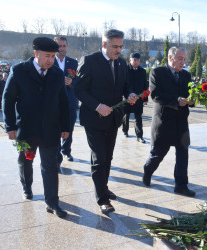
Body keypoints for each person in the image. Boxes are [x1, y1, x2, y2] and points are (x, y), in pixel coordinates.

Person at [2, 37, 70, 218]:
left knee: (51, 165)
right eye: (47, 56)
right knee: (26, 160)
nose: (50, 60)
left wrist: (65, 126)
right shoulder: (19, 71)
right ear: (36, 54)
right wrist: (10, 126)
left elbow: (63, 102)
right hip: (26, 130)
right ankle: (27, 187)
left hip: (50, 130)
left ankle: (52, 202)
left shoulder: (56, 74)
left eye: (53, 56)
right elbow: (8, 100)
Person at [74, 29, 137, 214]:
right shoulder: (89, 61)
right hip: (94, 119)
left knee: (108, 157)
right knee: (99, 158)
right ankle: (102, 199)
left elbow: (125, 84)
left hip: (114, 118)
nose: (119, 50)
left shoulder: (121, 63)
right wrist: (97, 105)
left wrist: (131, 93)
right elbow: (79, 90)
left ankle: (104, 187)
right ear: (104, 44)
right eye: (115, 46)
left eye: (121, 46)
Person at [142, 47, 196, 197]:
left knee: (183, 154)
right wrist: (177, 101)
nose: (183, 62)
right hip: (164, 122)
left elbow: (190, 93)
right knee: (158, 154)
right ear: (170, 58)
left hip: (181, 122)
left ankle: (181, 185)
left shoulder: (186, 75)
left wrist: (193, 100)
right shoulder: (157, 73)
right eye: (180, 58)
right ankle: (148, 170)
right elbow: (156, 95)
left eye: (184, 59)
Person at [54, 36, 79, 165]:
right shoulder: (50, 61)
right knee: (56, 130)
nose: (61, 49)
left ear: (67, 47)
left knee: (69, 128)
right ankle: (57, 155)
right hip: (55, 104)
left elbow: (79, 80)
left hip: (70, 102)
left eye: (64, 46)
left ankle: (66, 150)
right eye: (59, 46)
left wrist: (72, 82)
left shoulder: (73, 62)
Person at [122, 52, 148, 143]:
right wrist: (123, 96)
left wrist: (145, 99)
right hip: (127, 97)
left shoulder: (142, 71)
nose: (136, 62)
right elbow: (122, 84)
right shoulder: (125, 70)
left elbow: (145, 85)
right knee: (126, 115)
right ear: (130, 60)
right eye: (134, 60)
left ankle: (139, 136)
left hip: (139, 98)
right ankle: (125, 130)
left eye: (138, 60)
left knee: (138, 117)